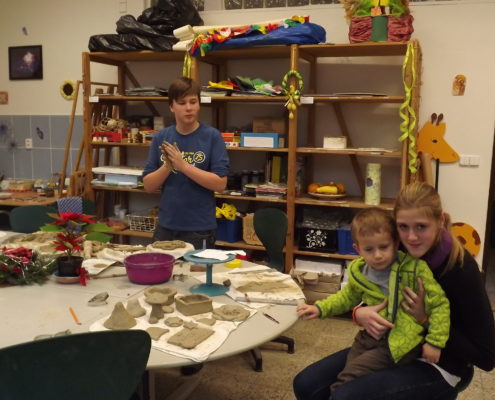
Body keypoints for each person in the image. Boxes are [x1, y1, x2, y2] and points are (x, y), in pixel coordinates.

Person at [293, 182, 495, 400]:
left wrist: (424, 319)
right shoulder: (396, 247)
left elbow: (486, 358)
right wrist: (359, 313)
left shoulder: (461, 269)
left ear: (440, 221)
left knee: (345, 395)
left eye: (421, 227)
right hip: (391, 343)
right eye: (403, 227)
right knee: (306, 384)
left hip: (441, 363)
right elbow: (369, 291)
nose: (411, 237)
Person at [296, 207, 450, 394]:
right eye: (369, 249)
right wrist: (320, 308)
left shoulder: (414, 269)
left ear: (395, 242)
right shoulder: (359, 271)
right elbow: (346, 297)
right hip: (366, 338)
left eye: (383, 247)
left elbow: (440, 305)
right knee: (350, 376)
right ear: (357, 249)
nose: (377, 255)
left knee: (346, 381)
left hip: (398, 343)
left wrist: (435, 342)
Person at [143, 76, 229, 250]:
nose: (188, 108)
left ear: (199, 104)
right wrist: (168, 166)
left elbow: (220, 184)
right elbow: (148, 186)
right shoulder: (161, 137)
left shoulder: (212, 136)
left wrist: (183, 166)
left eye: (193, 102)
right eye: (182, 103)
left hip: (200, 229)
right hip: (166, 227)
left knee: (195, 269)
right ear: (171, 106)